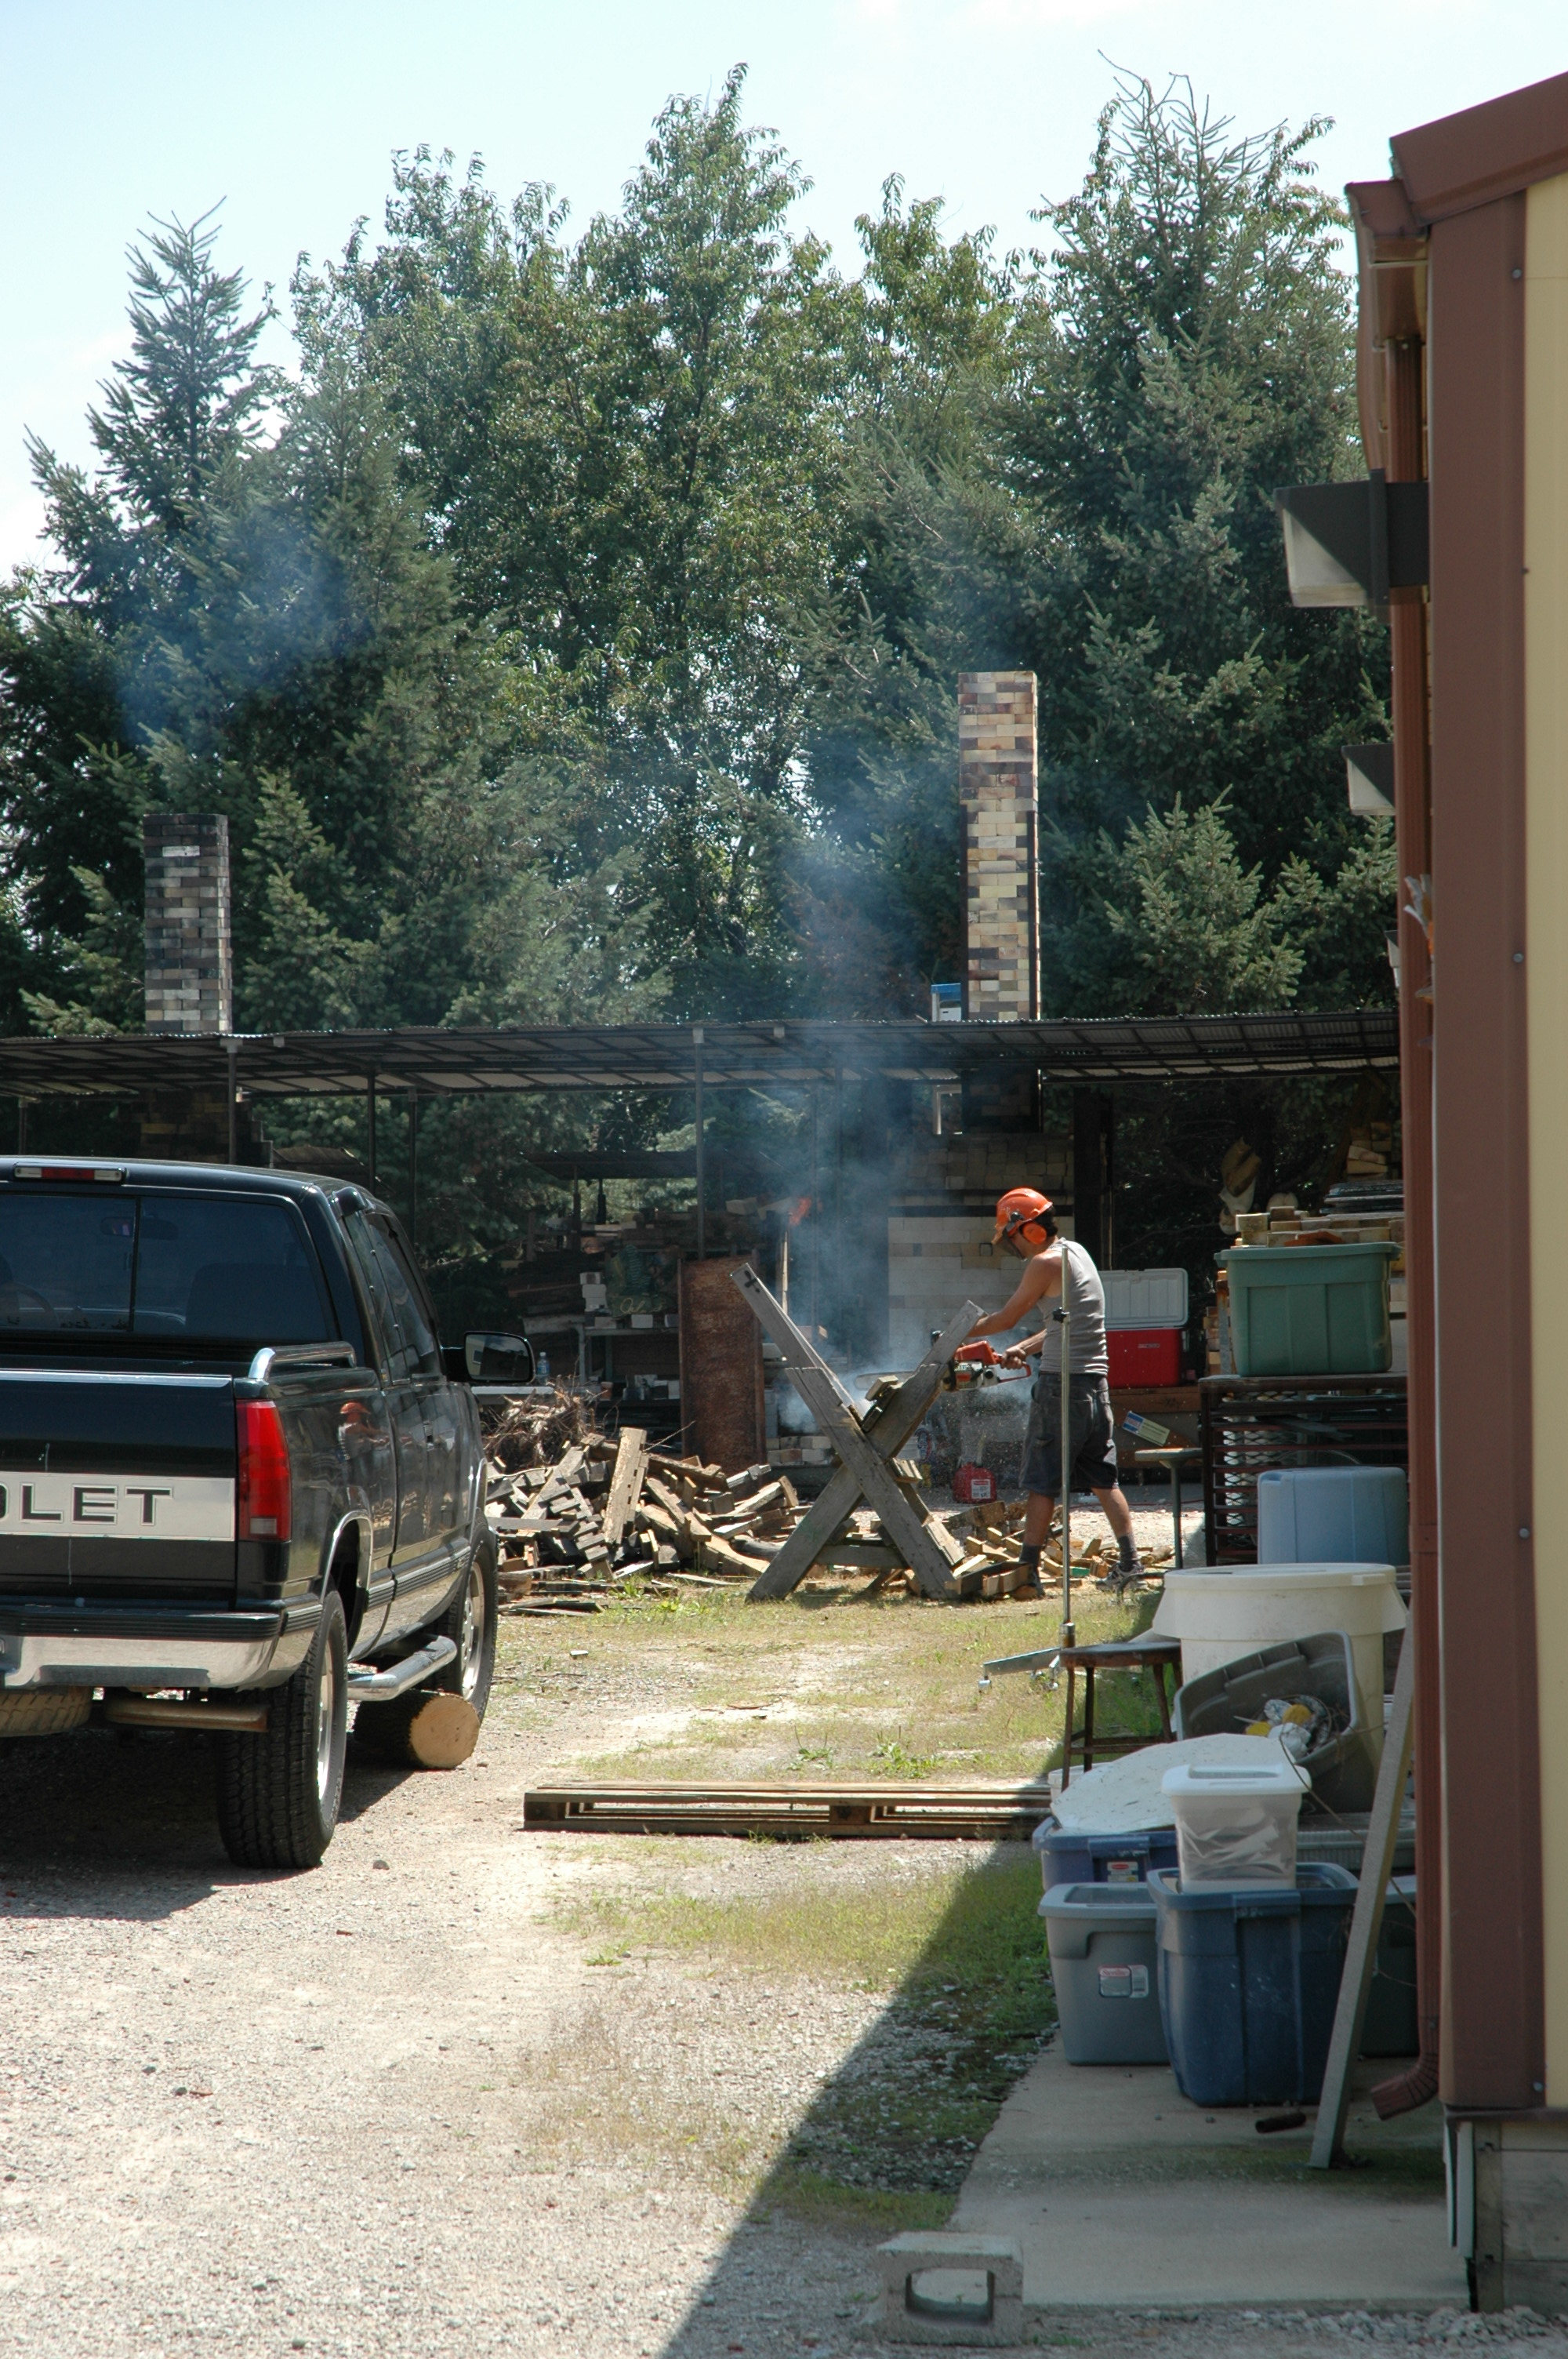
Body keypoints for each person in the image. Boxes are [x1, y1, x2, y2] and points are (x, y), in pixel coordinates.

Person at [964, 1187, 1144, 1596]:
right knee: (1103, 1478)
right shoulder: (1076, 1253)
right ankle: (1130, 1565)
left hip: (1062, 1386)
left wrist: (957, 1333)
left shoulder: (1043, 1263)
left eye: (1011, 1237)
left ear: (1028, 1230)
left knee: (1042, 1479)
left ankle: (1028, 1574)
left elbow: (1005, 1318)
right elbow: (1066, 1324)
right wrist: (1024, 1348)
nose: (1013, 1246)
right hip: (1095, 1386)